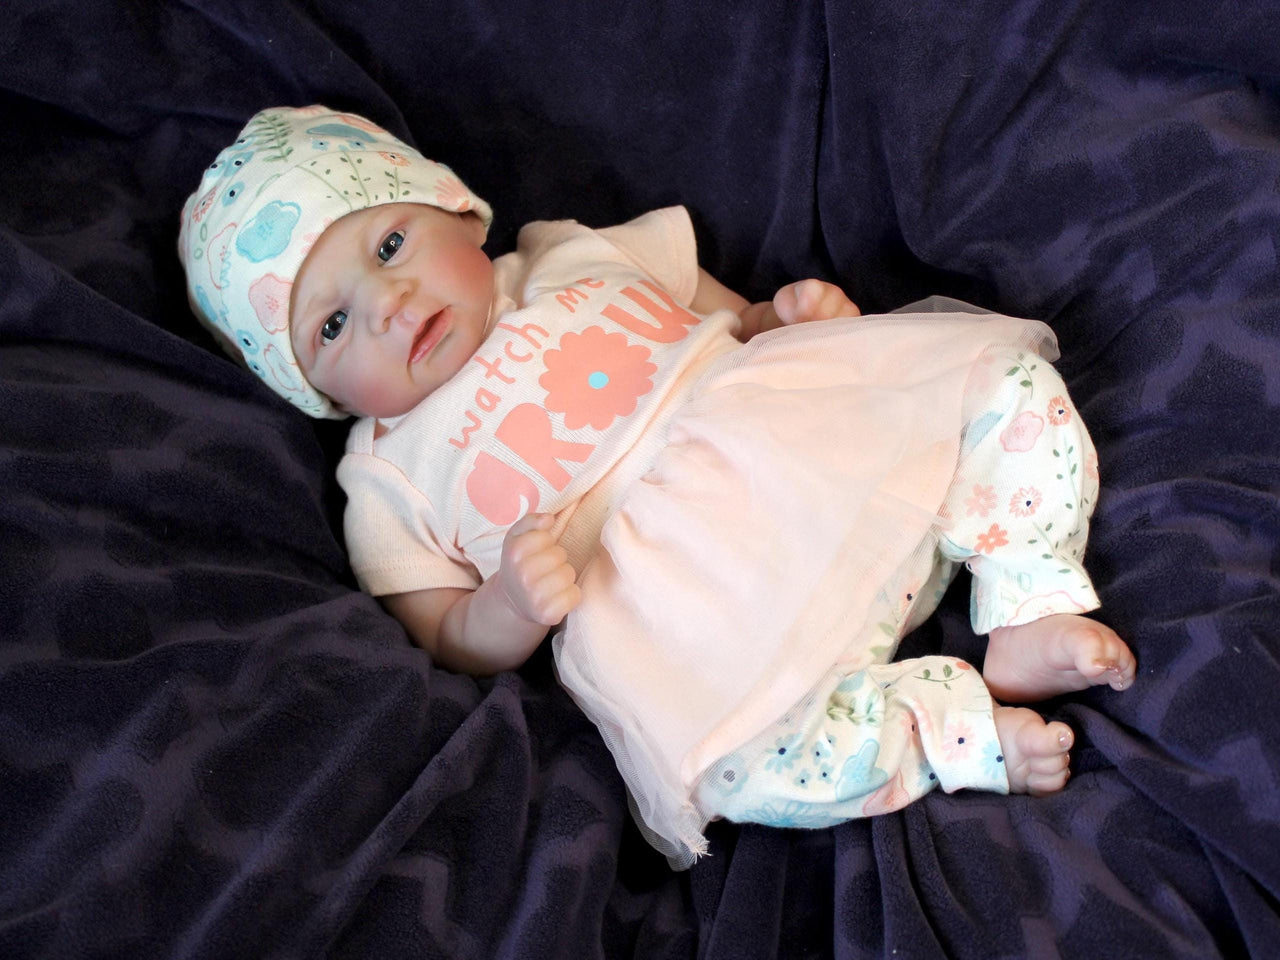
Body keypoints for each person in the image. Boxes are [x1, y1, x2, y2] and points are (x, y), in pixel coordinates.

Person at [178, 106, 1136, 867]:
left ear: (453, 208)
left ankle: (1026, 595)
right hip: (694, 609)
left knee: (997, 382)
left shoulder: (571, 255)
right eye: (332, 327)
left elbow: (733, 319)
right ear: (313, 391)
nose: (386, 307)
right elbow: (445, 635)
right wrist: (509, 604)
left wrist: (783, 318)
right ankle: (951, 731)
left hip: (817, 452)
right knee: (729, 769)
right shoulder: (382, 477)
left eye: (387, 246)